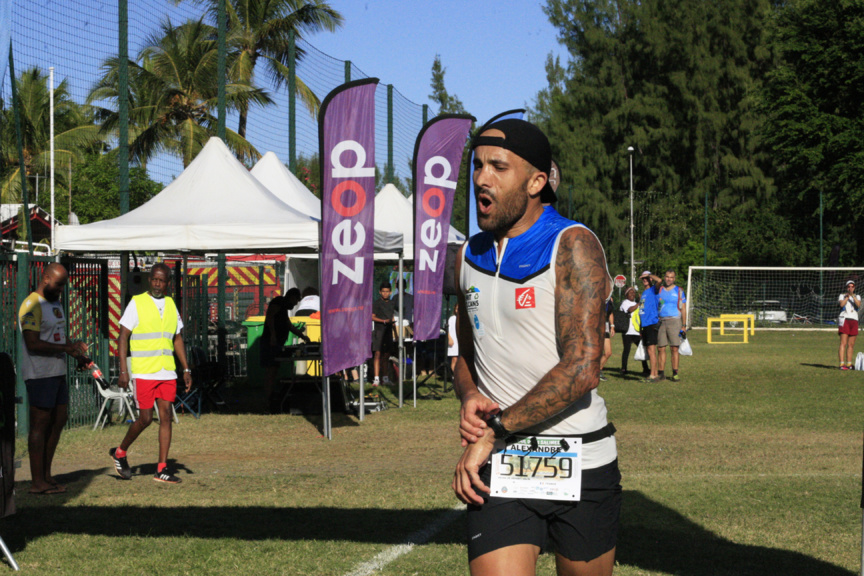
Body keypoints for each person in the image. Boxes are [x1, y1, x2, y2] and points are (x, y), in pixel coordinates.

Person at [452, 119, 620, 576]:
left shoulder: (572, 245)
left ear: (536, 181)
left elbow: (583, 368)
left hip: (580, 458)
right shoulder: (469, 254)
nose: (482, 178)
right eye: (478, 165)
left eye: (498, 167)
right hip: (502, 462)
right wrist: (468, 393)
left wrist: (494, 431)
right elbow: (463, 353)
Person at [108, 263, 192, 484]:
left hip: (167, 372)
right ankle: (120, 452)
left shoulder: (172, 305)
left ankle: (162, 469)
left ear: (167, 283)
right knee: (145, 419)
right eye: (154, 279)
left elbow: (177, 338)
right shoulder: (137, 303)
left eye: (161, 280)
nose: (157, 283)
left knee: (166, 417)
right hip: (144, 372)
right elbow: (123, 336)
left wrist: (185, 368)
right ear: (149, 280)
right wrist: (123, 370)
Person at [18, 263, 88, 494]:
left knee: (59, 420)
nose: (61, 291)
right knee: (40, 425)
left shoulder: (55, 303)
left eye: (63, 286)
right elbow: (33, 343)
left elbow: (57, 334)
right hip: (39, 374)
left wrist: (74, 349)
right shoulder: (31, 305)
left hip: (57, 371)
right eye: (58, 285)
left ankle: (47, 476)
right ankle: (37, 482)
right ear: (45, 278)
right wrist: (66, 348)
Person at [262, 288, 310, 411]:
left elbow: (288, 325)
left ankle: (271, 398)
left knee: (274, 370)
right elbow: (270, 317)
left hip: (277, 343)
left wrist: (302, 335)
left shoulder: (283, 309)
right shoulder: (278, 302)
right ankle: (268, 401)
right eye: (295, 301)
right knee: (270, 372)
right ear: (292, 297)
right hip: (270, 343)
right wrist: (272, 335)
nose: (295, 305)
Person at [656, 270, 687, 381]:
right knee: (661, 348)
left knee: (674, 348)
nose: (669, 279)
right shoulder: (659, 289)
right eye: (667, 277)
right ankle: (661, 373)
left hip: (675, 321)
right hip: (661, 321)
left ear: (674, 278)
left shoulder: (679, 291)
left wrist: (684, 325)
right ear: (664, 277)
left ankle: (675, 373)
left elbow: (683, 308)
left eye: (671, 277)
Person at [638, 271, 662, 382]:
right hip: (645, 324)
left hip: (652, 323)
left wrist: (649, 275)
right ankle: (654, 373)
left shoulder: (653, 290)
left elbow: (660, 281)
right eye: (643, 278)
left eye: (646, 278)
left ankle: (654, 375)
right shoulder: (644, 293)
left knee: (652, 350)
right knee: (649, 349)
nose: (645, 280)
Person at [619, 287, 648, 376]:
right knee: (626, 350)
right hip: (627, 331)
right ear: (626, 295)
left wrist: (642, 301)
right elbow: (629, 310)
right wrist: (639, 303)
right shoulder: (625, 303)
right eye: (630, 292)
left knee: (642, 349)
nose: (632, 294)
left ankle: (646, 368)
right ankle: (624, 368)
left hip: (637, 331)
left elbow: (643, 311)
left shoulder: (637, 303)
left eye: (633, 292)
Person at [371, 282, 395, 386]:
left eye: (387, 291)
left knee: (386, 355)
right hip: (379, 331)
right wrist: (383, 321)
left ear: (390, 292)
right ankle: (376, 379)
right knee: (377, 354)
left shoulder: (392, 303)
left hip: (388, 332)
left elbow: (392, 316)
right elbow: (372, 316)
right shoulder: (376, 303)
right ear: (380, 292)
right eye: (383, 291)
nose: (385, 293)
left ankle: (385, 379)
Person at [838, 280, 860, 370]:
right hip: (844, 319)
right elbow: (841, 304)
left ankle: (849, 364)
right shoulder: (842, 296)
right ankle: (841, 364)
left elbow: (858, 305)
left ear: (854, 288)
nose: (850, 288)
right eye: (849, 286)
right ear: (846, 287)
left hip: (854, 320)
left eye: (852, 286)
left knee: (851, 344)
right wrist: (847, 297)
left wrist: (853, 296)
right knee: (843, 343)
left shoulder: (857, 296)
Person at [599, 298, 614, 381]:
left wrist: (612, 326)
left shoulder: (609, 300)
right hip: (596, 326)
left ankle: (598, 370)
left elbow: (610, 313)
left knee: (608, 352)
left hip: (605, 326)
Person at [447, 303, 459, 375]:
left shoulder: (464, 319)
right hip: (453, 341)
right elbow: (447, 330)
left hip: (460, 342)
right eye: (457, 309)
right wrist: (450, 339)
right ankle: (455, 376)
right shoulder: (452, 318)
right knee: (454, 359)